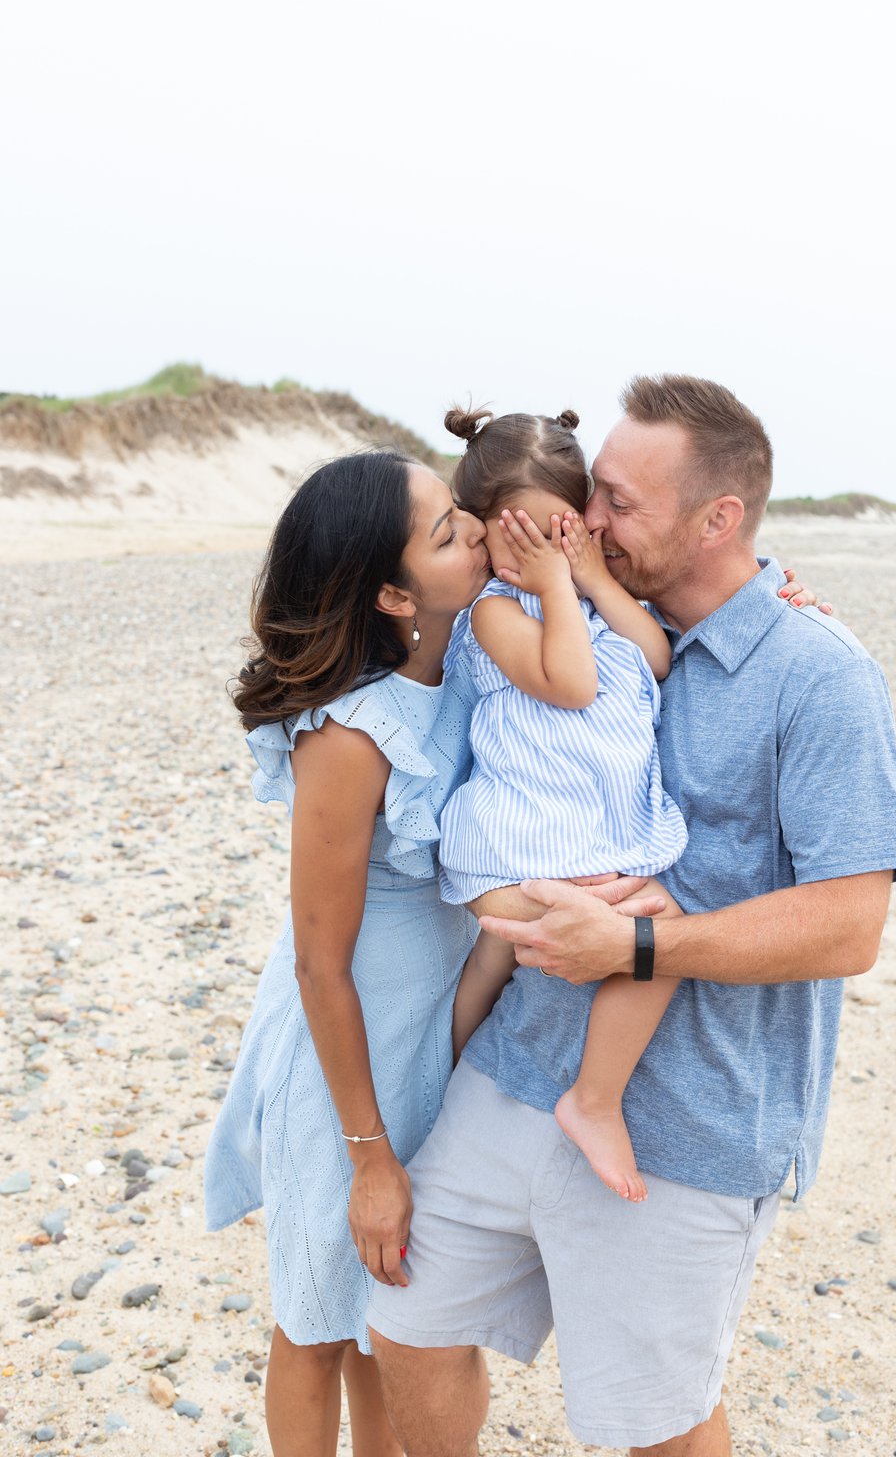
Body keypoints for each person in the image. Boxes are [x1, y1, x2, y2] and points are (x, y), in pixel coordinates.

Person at [366, 374, 896, 1457]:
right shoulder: (596, 604)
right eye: (594, 491)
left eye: (618, 503)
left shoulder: (819, 676)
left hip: (684, 1127)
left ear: (717, 520)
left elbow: (850, 927)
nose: (589, 519)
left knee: (654, 1424)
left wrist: (634, 944)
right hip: (516, 1067)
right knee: (409, 1327)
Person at [203, 449, 491, 1457]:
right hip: (345, 1060)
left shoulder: (474, 658)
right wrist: (369, 1157)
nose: (476, 530)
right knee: (317, 1320)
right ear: (392, 594)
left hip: (431, 1037)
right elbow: (318, 963)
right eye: (448, 531)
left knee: (391, 1315)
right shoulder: (350, 735)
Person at [439, 404, 689, 1203]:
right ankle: (446, 1087)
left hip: (586, 840)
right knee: (621, 934)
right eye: (522, 535)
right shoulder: (494, 611)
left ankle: (585, 1095)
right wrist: (552, 584)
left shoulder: (592, 604)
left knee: (647, 938)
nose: (544, 551)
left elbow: (655, 658)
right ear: (482, 531)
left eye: (559, 531)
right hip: (512, 844)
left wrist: (590, 581)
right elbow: (572, 683)